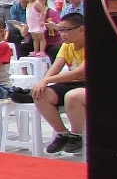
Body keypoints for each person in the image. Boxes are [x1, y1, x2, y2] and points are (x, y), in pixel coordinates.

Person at [34, 13, 86, 155]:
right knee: (40, 94)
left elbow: (78, 73)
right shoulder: (66, 46)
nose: (62, 34)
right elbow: (55, 67)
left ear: (81, 30)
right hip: (71, 84)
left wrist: (46, 80)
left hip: (87, 84)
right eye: (60, 30)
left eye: (66, 30)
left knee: (72, 96)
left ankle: (76, 136)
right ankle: (62, 133)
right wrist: (42, 83)